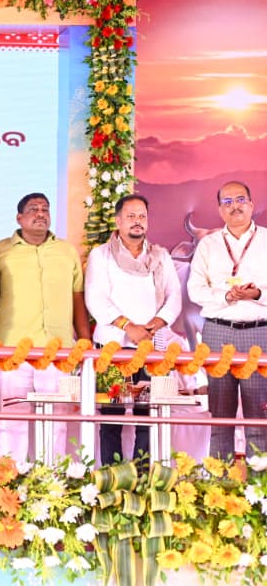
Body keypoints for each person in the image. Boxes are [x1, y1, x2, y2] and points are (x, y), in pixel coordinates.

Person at [0, 192, 91, 461]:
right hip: (10, 352)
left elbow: (77, 300)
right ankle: (8, 479)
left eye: (45, 209)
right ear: (19, 218)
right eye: (33, 209)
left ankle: (51, 481)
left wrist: (85, 344)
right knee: (12, 422)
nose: (41, 214)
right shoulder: (0, 251)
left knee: (56, 423)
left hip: (59, 353)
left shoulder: (66, 252)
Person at [85, 193, 182, 463]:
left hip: (152, 349)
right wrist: (128, 327)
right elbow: (95, 298)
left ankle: (141, 478)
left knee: (147, 417)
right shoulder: (101, 255)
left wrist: (154, 325)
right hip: (113, 349)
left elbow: (174, 296)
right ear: (118, 221)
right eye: (131, 216)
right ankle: (112, 477)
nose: (137, 221)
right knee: (111, 417)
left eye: (142, 216)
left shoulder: (160, 256)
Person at [186, 181, 267, 460]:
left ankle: (260, 484)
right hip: (218, 332)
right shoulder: (208, 245)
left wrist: (258, 294)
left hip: (259, 333)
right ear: (220, 210)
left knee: (259, 417)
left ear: (251, 205)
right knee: (220, 416)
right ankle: (219, 483)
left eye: (241, 199)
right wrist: (227, 296)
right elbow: (195, 290)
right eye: (228, 202)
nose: (235, 206)